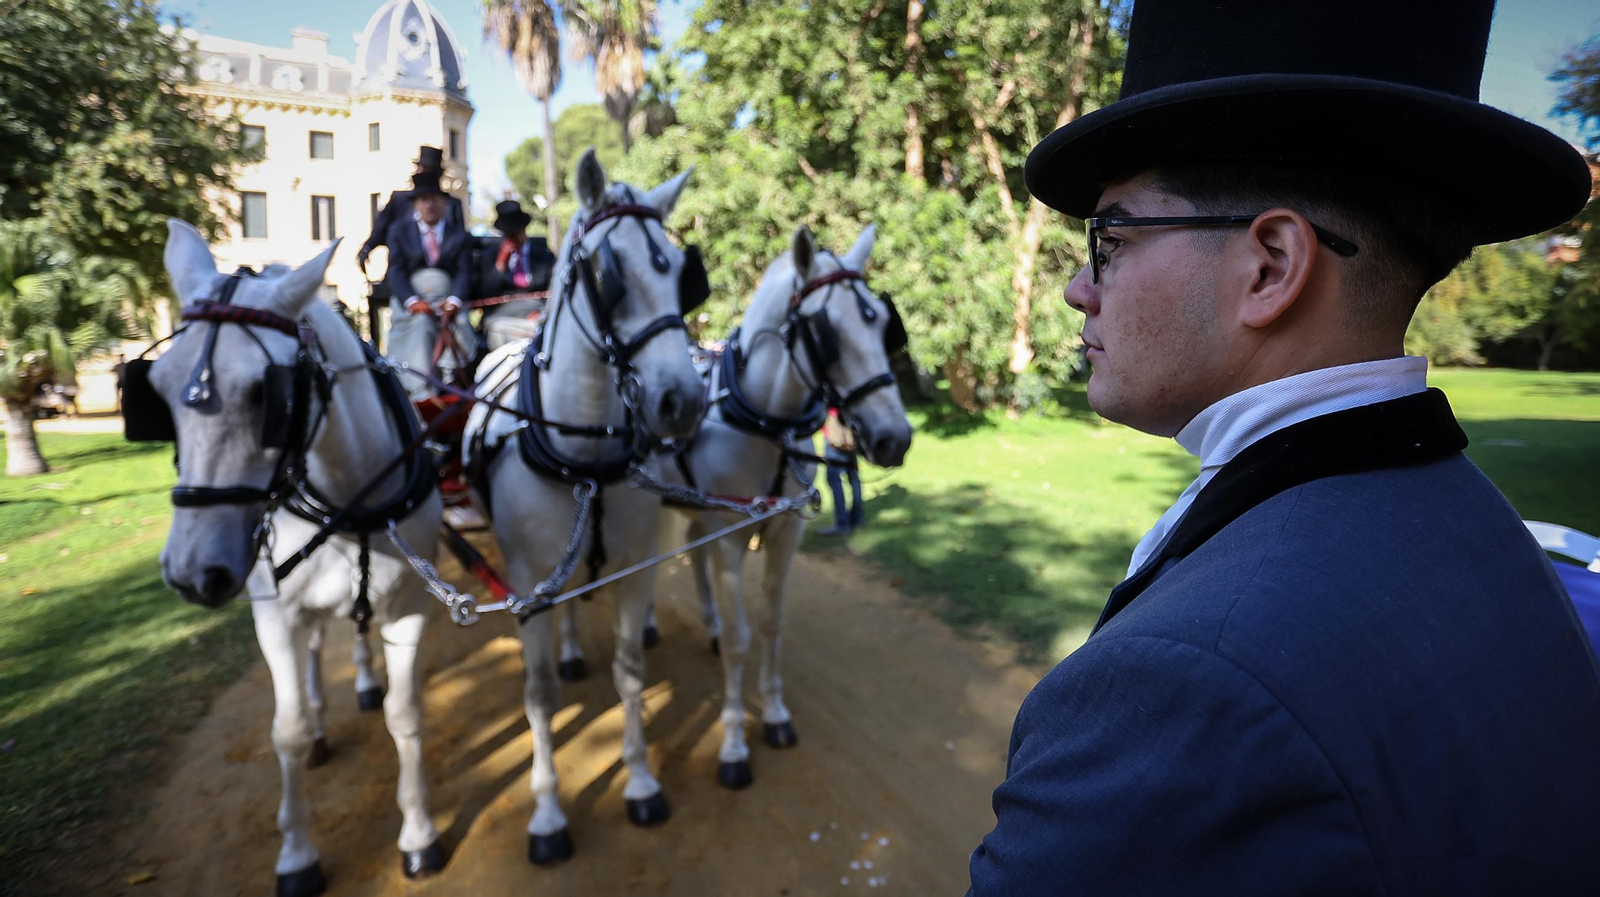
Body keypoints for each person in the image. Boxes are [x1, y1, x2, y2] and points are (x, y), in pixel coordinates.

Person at [967, 1, 1600, 894]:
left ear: (1269, 267)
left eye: (1109, 238)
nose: (1078, 288)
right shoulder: (1489, 529)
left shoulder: (1188, 684)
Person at [383, 170, 475, 401]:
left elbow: (464, 272)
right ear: (416, 204)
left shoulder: (459, 236)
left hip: (448, 302)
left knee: (457, 327)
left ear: (444, 203)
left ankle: (452, 381)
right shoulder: (399, 232)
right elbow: (396, 271)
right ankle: (421, 390)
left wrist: (453, 301)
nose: (429, 205)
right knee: (421, 326)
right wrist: (412, 301)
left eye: (434, 199)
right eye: (424, 200)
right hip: (413, 303)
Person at [357, 145, 465, 271]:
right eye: (420, 168)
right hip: (405, 270)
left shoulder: (451, 204)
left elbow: (461, 240)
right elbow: (380, 231)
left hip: (443, 271)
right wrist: (366, 249)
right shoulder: (399, 200)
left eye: (427, 170)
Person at [482, 199, 547, 349]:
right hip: (503, 312)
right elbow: (485, 292)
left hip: (535, 310)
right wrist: (500, 264)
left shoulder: (543, 256)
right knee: (497, 330)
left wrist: (541, 312)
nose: (514, 238)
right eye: (509, 235)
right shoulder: (490, 257)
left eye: (516, 232)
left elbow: (552, 290)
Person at [817, 408, 863, 536]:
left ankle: (842, 523)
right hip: (850, 437)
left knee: (834, 481)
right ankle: (857, 519)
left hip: (835, 437)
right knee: (854, 479)